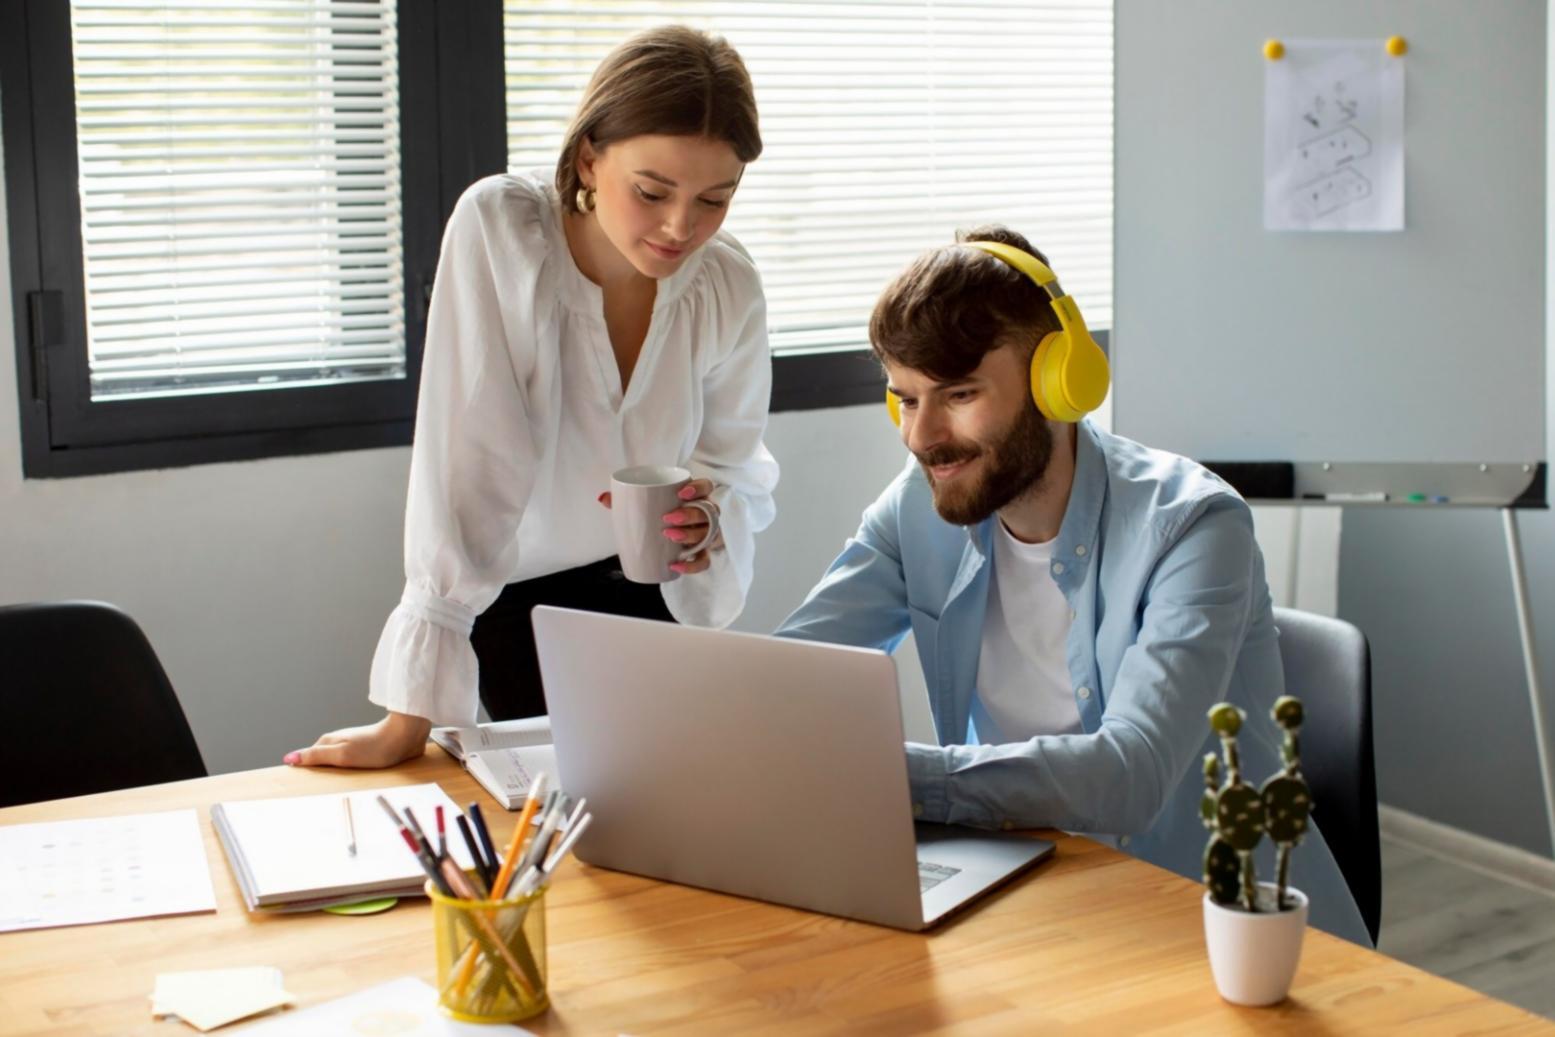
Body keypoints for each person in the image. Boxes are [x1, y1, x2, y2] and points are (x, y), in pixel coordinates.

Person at [774, 226, 1370, 944]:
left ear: (1059, 381)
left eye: (958, 393)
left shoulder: (1195, 525)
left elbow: (1129, 774)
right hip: (1040, 894)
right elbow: (787, 677)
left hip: (1224, 931)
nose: (920, 435)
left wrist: (883, 775)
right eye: (905, 398)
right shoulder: (915, 505)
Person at [288, 26, 779, 769]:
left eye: (716, 197)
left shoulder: (726, 283)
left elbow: (734, 465)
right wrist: (408, 719)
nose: (682, 227)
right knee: (582, 809)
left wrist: (707, 519)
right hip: (520, 601)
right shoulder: (505, 233)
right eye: (651, 191)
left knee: (690, 804)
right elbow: (468, 466)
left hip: (655, 595)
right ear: (588, 156)